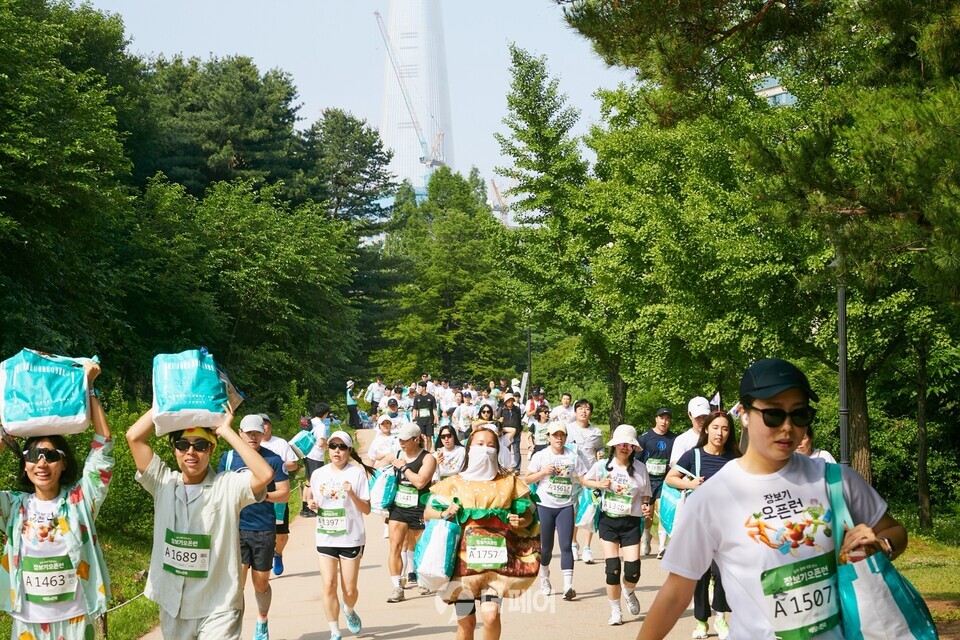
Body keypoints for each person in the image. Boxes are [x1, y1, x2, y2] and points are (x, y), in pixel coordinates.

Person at [638, 358, 908, 640]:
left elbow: (895, 531)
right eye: (774, 415)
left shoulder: (836, 481)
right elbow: (675, 594)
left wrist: (882, 545)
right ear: (744, 414)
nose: (788, 427)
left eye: (799, 414)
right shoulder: (712, 499)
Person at [127, 408, 275, 640]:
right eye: (183, 445)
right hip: (174, 606)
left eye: (201, 445)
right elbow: (134, 437)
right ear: (174, 449)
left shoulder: (227, 485)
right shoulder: (163, 483)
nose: (191, 452)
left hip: (218, 606)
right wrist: (167, 401)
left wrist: (225, 430)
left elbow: (265, 475)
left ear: (212, 449)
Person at [0, 362, 112, 640]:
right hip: (28, 623)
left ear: (64, 463)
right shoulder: (13, 507)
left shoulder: (79, 501)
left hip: (75, 620)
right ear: (25, 464)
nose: (41, 463)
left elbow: (103, 445)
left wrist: (89, 388)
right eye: (33, 455)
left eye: (50, 456)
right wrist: (5, 436)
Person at [424, 425, 539, 640]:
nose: (485, 449)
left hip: (496, 566)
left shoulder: (510, 482)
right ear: (469, 449)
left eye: (491, 445)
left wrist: (521, 520)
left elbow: (530, 514)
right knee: (466, 624)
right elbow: (428, 512)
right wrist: (445, 512)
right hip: (462, 568)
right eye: (480, 444)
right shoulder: (453, 483)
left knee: (491, 617)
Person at [664, 410, 740, 639]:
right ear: (707, 429)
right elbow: (670, 478)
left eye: (725, 428)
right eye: (715, 427)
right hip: (698, 524)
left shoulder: (735, 458)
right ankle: (701, 622)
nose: (720, 433)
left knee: (724, 573)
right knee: (700, 575)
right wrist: (691, 484)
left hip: (726, 526)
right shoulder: (693, 455)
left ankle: (721, 618)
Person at [217, 414, 290, 640]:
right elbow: (219, 490)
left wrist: (261, 495)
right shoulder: (228, 458)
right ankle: (231, 630)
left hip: (263, 528)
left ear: (263, 433)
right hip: (235, 528)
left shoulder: (273, 459)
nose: (252, 437)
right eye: (248, 432)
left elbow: (284, 493)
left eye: (257, 432)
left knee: (261, 584)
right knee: (235, 585)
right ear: (240, 433)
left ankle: (262, 619)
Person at [583, 424, 652, 626]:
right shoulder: (602, 466)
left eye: (629, 445)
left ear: (634, 448)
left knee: (633, 571)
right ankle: (616, 611)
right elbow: (586, 481)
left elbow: (646, 494)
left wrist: (646, 506)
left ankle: (628, 591)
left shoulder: (640, 468)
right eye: (622, 444)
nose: (625, 448)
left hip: (631, 523)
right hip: (608, 521)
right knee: (612, 568)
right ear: (614, 445)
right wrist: (599, 484)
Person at [307, 431, 372, 640]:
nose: (337, 451)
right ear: (328, 449)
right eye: (333, 446)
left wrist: (351, 493)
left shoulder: (357, 474)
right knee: (328, 585)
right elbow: (313, 500)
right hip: (325, 535)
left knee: (349, 590)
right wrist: (312, 504)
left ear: (349, 450)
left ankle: (349, 610)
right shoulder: (318, 474)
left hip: (351, 537)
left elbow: (367, 509)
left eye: (342, 447)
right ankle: (335, 631)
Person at [524, 422, 587, 600]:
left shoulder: (573, 457)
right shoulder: (541, 455)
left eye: (562, 435)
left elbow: (584, 479)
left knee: (566, 546)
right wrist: (543, 472)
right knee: (546, 549)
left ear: (566, 437)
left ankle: (568, 586)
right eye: (555, 435)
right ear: (548, 437)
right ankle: (544, 577)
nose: (559, 438)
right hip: (545, 506)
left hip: (565, 506)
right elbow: (527, 479)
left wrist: (597, 487)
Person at [385, 423, 436, 602]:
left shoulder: (428, 458)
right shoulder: (398, 455)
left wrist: (403, 468)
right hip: (398, 507)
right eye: (399, 439)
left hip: (418, 508)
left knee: (419, 548)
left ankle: (422, 579)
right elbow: (377, 463)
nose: (401, 443)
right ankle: (397, 587)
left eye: (405, 440)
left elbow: (420, 482)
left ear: (416, 439)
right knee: (395, 546)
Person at [258, 414, 299, 577]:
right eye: (260, 424)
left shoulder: (280, 443)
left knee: (281, 534)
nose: (263, 427)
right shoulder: (251, 444)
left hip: (278, 493)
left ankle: (278, 553)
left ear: (270, 426)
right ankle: (262, 563)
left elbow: (293, 465)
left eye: (266, 423)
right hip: (258, 492)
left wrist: (275, 464)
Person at [567, 399, 604, 564]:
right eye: (580, 408)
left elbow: (600, 447)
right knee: (573, 511)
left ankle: (587, 548)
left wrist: (600, 453)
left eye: (587, 409)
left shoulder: (596, 432)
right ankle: (573, 544)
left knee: (590, 511)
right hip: (573, 478)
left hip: (590, 478)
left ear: (591, 413)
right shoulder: (568, 429)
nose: (583, 411)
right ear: (575, 411)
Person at [637, 408, 676, 557]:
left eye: (667, 419)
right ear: (656, 419)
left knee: (662, 510)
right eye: (661, 418)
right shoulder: (645, 438)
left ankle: (661, 546)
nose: (664, 422)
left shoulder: (673, 439)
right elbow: (637, 461)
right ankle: (646, 538)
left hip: (664, 481)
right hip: (647, 481)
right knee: (649, 514)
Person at [301, 403, 331, 518]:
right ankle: (310, 508)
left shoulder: (310, 422)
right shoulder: (321, 426)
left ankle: (304, 507)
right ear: (325, 414)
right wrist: (329, 446)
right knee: (314, 482)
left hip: (306, 454)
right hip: (316, 456)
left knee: (308, 482)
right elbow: (320, 442)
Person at [668, 396, 711, 468]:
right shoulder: (681, 440)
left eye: (705, 416)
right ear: (690, 415)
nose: (702, 421)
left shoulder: (716, 438)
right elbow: (675, 466)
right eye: (698, 417)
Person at [496, 392, 523, 472]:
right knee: (506, 450)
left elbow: (519, 420)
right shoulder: (501, 409)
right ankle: (506, 466)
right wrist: (500, 430)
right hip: (505, 433)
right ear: (505, 401)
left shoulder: (517, 409)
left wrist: (520, 430)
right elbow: (498, 421)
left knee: (516, 451)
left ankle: (517, 468)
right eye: (508, 401)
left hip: (516, 433)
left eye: (511, 400)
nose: (510, 402)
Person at [412, 381, 439, 452]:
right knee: (421, 437)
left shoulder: (431, 397)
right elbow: (415, 409)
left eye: (419, 387)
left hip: (429, 420)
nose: (418, 389)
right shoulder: (417, 398)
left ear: (424, 388)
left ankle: (428, 451)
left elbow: (434, 409)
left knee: (429, 437)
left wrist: (436, 419)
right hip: (420, 420)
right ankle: (421, 451)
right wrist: (413, 418)